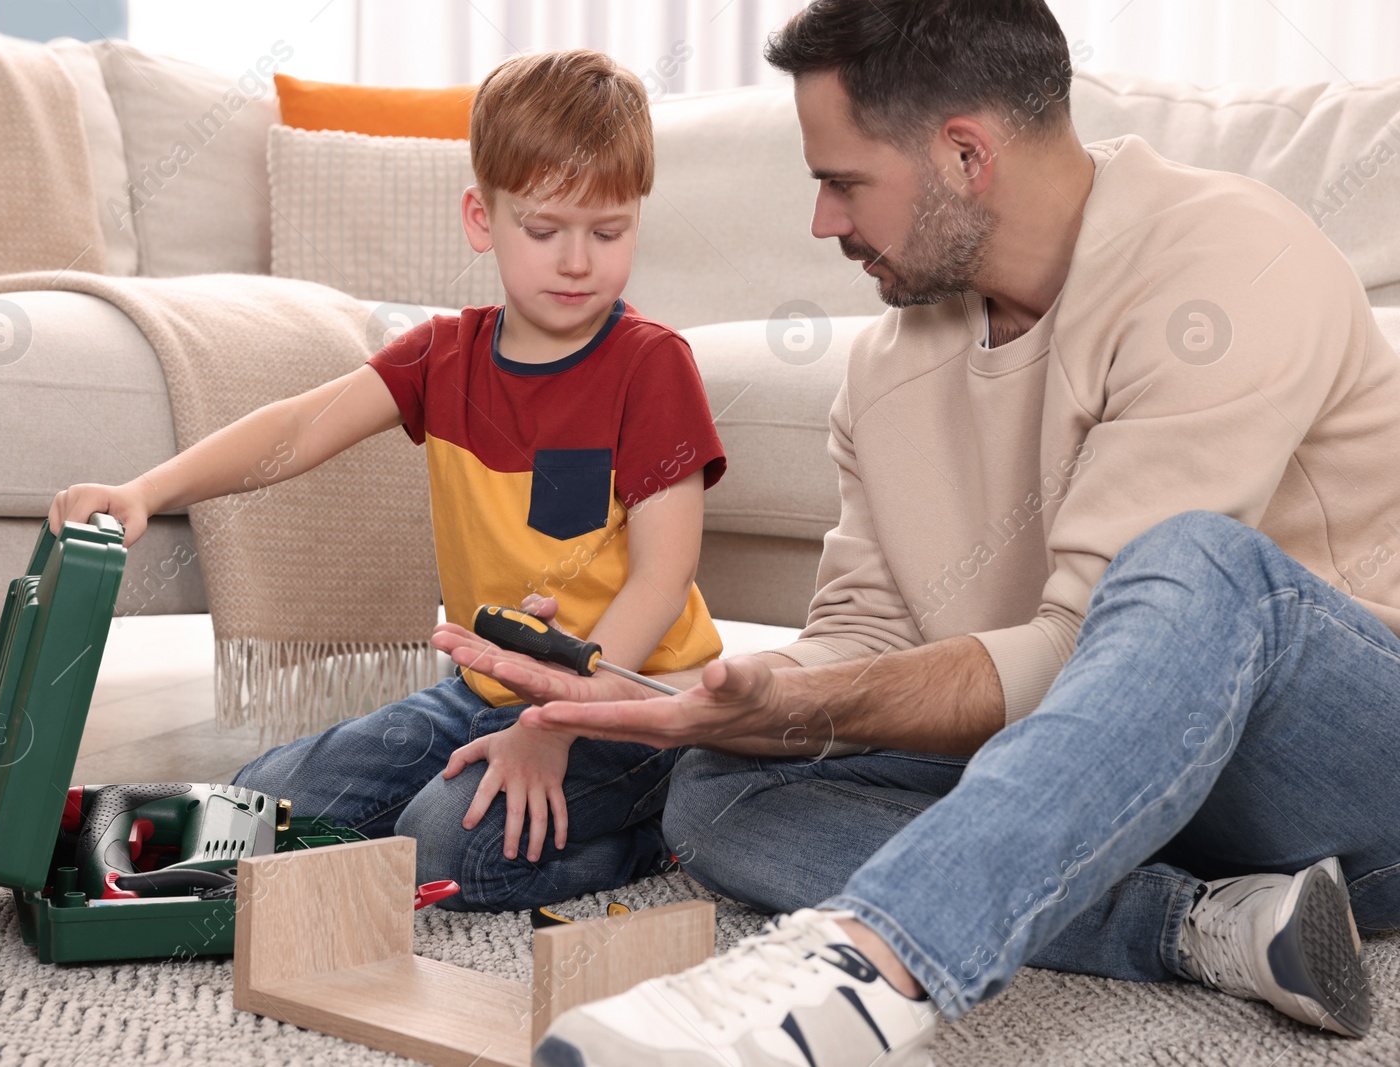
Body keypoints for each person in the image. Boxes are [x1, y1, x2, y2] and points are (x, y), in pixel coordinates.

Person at [433, 1, 1400, 1062]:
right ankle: (1203, 924)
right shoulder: (890, 366)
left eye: (842, 182)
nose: (821, 222)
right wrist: (715, 702)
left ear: (965, 154)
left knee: (1192, 561)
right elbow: (862, 633)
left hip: (1344, 774)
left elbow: (1089, 652)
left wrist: (815, 700)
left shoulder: (1224, 256)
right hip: (1102, 785)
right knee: (718, 792)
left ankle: (865, 965)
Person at [49, 48, 727, 912]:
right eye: (544, 228)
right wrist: (145, 491)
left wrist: (556, 723)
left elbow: (663, 576)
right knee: (264, 801)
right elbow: (295, 428)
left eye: (608, 231)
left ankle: (659, 834)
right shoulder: (443, 358)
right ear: (482, 217)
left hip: (630, 713)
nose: (577, 262)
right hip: (479, 692)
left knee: (445, 847)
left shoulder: (652, 366)